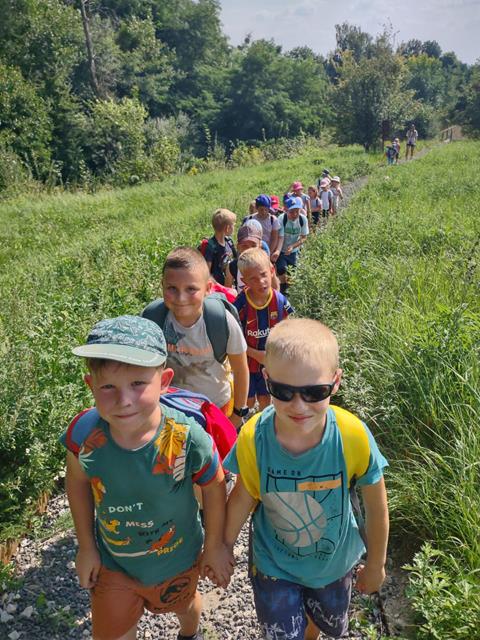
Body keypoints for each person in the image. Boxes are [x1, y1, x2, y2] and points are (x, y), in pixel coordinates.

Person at [62, 315, 234, 640]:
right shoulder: (83, 435)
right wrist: (86, 547)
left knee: (185, 607)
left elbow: (214, 483)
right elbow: (77, 481)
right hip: (114, 564)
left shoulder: (186, 437)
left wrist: (213, 545)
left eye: (138, 384)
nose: (124, 400)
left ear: (164, 381)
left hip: (177, 560)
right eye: (108, 387)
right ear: (90, 385)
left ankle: (189, 633)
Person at [222, 318, 389, 640]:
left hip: (333, 564)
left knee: (320, 623)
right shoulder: (255, 437)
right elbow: (244, 494)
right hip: (273, 563)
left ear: (335, 382)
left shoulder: (352, 436)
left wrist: (376, 564)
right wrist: (224, 545)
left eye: (314, 392)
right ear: (267, 379)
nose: (298, 406)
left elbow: (376, 505)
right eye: (283, 391)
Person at [143, 247, 249, 429]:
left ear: (208, 289)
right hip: (170, 408)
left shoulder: (221, 321)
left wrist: (238, 413)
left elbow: (240, 369)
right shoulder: (153, 319)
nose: (181, 298)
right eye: (172, 288)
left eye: (191, 289)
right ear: (162, 285)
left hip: (215, 408)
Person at [233, 248, 293, 411]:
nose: (261, 282)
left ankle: (264, 420)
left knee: (266, 398)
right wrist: (255, 354)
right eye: (253, 279)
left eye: (263, 275)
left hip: (269, 363)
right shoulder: (240, 305)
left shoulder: (279, 301)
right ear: (244, 281)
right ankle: (245, 420)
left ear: (272, 271)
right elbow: (233, 338)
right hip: (246, 363)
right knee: (248, 401)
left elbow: (286, 330)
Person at [225, 220, 279, 293]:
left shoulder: (266, 264)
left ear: (260, 246)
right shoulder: (232, 266)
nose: (249, 250)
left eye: (253, 245)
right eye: (244, 246)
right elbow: (227, 291)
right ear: (238, 247)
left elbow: (276, 288)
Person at [275, 197, 309, 295]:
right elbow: (280, 237)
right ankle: (282, 292)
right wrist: (277, 251)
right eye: (291, 212)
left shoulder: (303, 219)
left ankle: (290, 293)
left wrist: (293, 246)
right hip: (282, 250)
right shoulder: (282, 219)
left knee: (292, 273)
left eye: (297, 211)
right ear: (286, 210)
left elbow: (304, 237)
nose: (294, 214)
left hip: (294, 251)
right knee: (281, 269)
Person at [204, 208, 237, 285]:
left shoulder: (229, 242)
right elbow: (207, 272)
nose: (234, 227)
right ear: (227, 228)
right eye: (233, 225)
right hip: (217, 287)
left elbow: (236, 259)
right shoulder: (211, 246)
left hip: (230, 284)